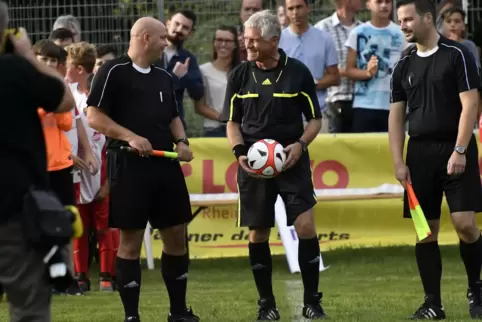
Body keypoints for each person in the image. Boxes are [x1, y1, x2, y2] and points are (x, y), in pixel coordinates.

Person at [86, 17, 198, 322]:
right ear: (146, 38)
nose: (167, 43)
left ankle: (178, 312)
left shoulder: (163, 76)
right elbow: (94, 116)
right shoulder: (113, 71)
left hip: (165, 166)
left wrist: (182, 141)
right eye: (163, 38)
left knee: (177, 234)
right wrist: (131, 137)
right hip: (129, 166)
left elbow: (174, 116)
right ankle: (132, 316)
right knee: (131, 240)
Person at [220, 9, 326, 321]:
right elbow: (232, 123)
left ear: (274, 40)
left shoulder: (298, 73)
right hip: (253, 167)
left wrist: (300, 145)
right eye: (246, 38)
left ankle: (312, 302)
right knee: (259, 235)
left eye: (253, 40)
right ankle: (266, 304)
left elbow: (315, 120)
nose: (247, 44)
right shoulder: (239, 75)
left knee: (306, 226)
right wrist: (240, 153)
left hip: (292, 161)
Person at [390, 0, 482, 319]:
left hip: (457, 150)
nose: (402, 25)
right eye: (400, 20)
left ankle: (476, 289)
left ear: (428, 19)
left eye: (408, 19)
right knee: (425, 230)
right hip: (418, 155)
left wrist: (459, 150)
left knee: (465, 225)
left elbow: (471, 104)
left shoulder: (457, 55)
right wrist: (398, 162)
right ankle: (433, 303)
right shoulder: (403, 65)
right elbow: (396, 117)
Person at [0, 2, 76, 321]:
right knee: (29, 306)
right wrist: (29, 57)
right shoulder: (14, 71)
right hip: (14, 211)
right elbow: (65, 99)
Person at [65, 42, 115, 293]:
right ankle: (81, 276)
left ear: (78, 69)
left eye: (68, 66)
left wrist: (110, 179)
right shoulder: (66, 95)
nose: (64, 71)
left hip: (101, 168)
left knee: (104, 224)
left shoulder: (101, 95)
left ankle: (107, 276)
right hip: (75, 169)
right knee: (79, 225)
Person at [280, 0, 340, 133]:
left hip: (317, 112)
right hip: (284, 114)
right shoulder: (278, 40)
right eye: (291, 8)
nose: (295, 12)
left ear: (308, 8)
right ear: (286, 12)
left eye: (299, 7)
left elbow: (335, 77)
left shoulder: (324, 38)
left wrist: (312, 84)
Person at [345, 0, 405, 133]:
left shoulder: (401, 33)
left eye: (388, 2)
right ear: (368, 5)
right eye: (379, 2)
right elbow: (349, 70)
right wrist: (367, 73)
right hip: (364, 105)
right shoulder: (357, 32)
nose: (384, 5)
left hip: (394, 105)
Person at [315, 0, 363, 133]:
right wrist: (350, 72)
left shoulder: (363, 28)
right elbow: (316, 66)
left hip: (362, 100)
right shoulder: (322, 28)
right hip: (335, 101)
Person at [198, 25, 241, 137]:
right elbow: (199, 106)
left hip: (240, 128)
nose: (223, 44)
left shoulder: (243, 70)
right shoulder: (203, 70)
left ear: (235, 44)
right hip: (214, 129)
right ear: (214, 43)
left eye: (228, 41)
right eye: (219, 40)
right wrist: (223, 118)